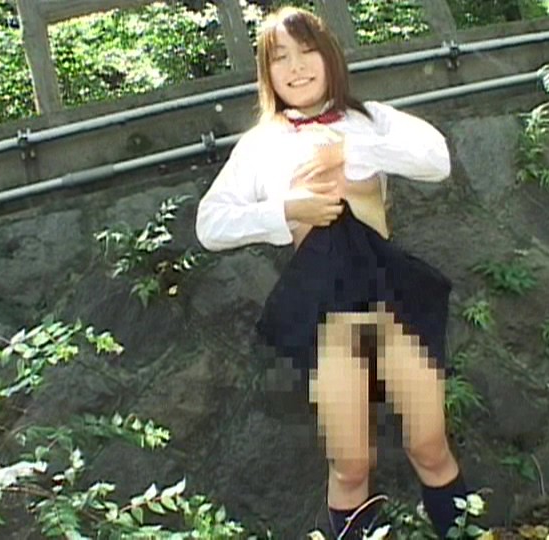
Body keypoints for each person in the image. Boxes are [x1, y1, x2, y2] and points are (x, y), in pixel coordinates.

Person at [195, 6, 466, 539]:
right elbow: (210, 224)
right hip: (326, 317)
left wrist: (353, 148)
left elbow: (436, 160)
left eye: (307, 51)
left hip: (391, 303)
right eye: (280, 58)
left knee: (430, 446)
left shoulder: (370, 117)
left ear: (330, 56)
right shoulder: (261, 143)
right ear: (267, 72)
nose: (296, 67)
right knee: (351, 464)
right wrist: (287, 211)